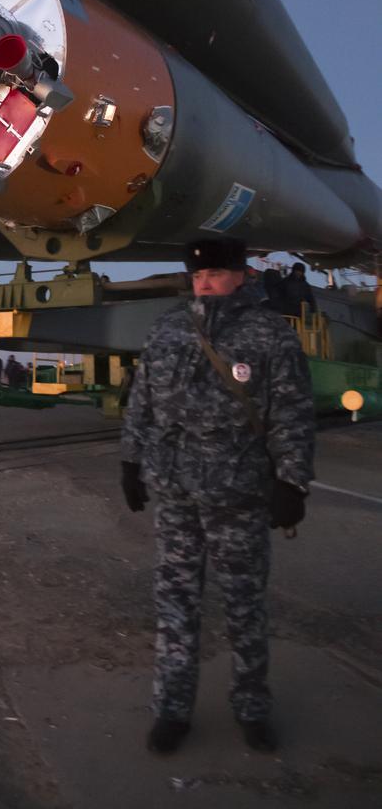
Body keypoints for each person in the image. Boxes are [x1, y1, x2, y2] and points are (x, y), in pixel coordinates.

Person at [121, 237, 314, 756]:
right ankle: (172, 708)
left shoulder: (269, 333)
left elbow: (292, 411)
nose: (204, 283)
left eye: (215, 274)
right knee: (174, 604)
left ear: (241, 275)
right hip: (175, 491)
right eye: (198, 276)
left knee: (244, 606)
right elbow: (142, 399)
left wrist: (292, 481)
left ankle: (252, 707)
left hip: (238, 492)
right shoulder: (168, 327)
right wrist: (130, 460)